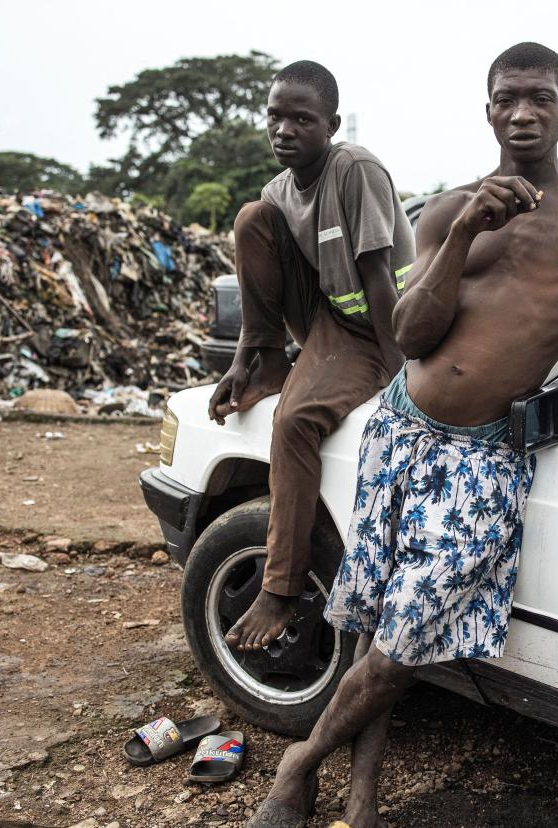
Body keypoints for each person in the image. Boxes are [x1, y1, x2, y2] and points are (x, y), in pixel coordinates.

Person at [245, 42, 558, 828]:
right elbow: (409, 336)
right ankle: (364, 799)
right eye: (507, 98)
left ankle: (297, 764)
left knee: (406, 637)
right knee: (377, 617)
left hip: (484, 453)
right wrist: (457, 237)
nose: (522, 112)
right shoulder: (450, 209)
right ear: (487, 111)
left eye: (539, 98)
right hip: (402, 433)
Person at [209, 60, 414, 653]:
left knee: (295, 422)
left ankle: (280, 588)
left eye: (302, 119)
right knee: (252, 219)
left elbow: (379, 278)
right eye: (276, 116)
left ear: (330, 125)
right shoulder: (279, 192)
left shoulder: (356, 169)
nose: (285, 129)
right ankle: (270, 363)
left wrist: (404, 378)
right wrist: (248, 356)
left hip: (383, 327)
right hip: (326, 324)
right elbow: (277, 279)